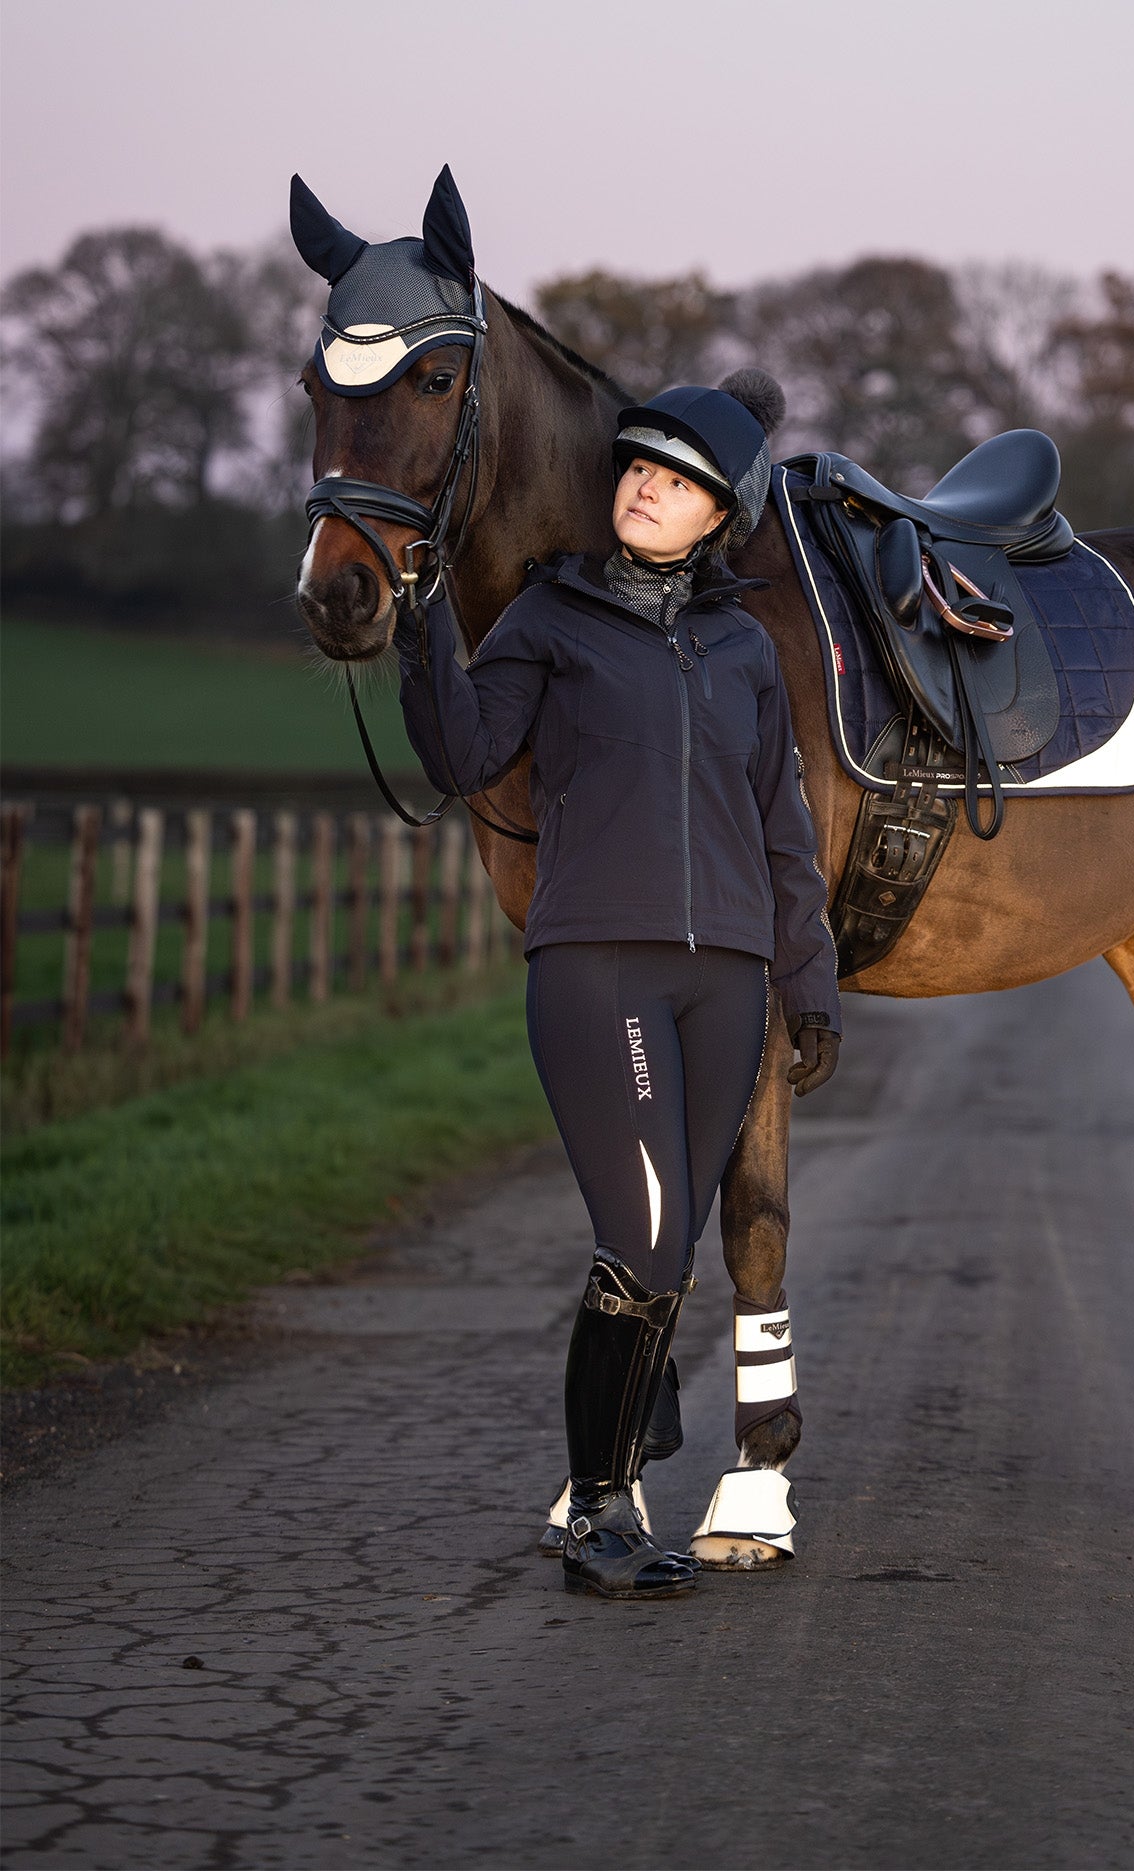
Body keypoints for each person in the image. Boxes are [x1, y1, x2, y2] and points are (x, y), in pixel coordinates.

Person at [393, 373, 841, 1599]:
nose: (648, 485)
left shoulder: (744, 646)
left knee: (668, 1245)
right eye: (639, 465)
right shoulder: (550, 617)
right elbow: (464, 751)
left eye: (682, 479)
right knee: (643, 1242)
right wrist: (426, 616)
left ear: (720, 514)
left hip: (730, 980)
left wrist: (808, 980)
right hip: (599, 965)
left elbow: (781, 825)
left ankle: (598, 1491)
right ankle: (599, 1503)